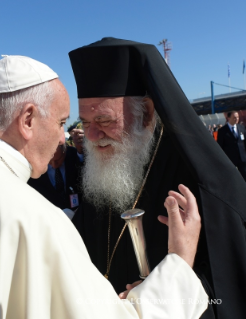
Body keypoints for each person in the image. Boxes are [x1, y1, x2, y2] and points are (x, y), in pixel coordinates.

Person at [0, 55, 208, 319]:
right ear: (27, 120)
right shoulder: (33, 217)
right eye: (63, 122)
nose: (66, 137)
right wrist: (180, 264)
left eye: (104, 121)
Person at [68, 37, 246, 319]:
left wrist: (163, 297)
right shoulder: (99, 175)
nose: (91, 136)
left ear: (146, 113)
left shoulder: (202, 183)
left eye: (104, 121)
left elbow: (231, 295)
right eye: (85, 123)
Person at [28, 142, 82, 214]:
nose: (54, 165)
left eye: (58, 160)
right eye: (49, 161)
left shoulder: (74, 155)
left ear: (64, 151)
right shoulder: (34, 166)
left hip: (76, 213)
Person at [217, 111, 246, 181]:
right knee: (234, 179)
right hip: (231, 160)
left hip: (243, 159)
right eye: (234, 117)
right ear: (228, 118)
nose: (237, 119)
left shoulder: (242, 128)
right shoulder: (222, 131)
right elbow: (220, 146)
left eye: (238, 117)